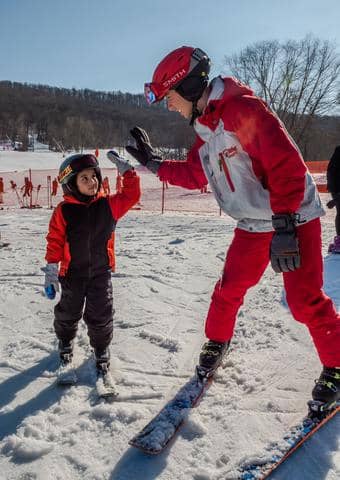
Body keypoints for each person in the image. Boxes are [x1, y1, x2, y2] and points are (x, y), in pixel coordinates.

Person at [126, 46, 340, 407]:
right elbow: (196, 174)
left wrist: (286, 224)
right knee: (229, 287)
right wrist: (153, 163)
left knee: (304, 301)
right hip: (254, 223)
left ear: (190, 88)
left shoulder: (243, 111)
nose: (169, 106)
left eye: (170, 97)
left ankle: (337, 363)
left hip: (293, 216)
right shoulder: (206, 128)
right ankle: (217, 340)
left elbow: (286, 165)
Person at [42, 151, 140, 374]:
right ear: (71, 183)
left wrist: (128, 172)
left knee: (101, 314)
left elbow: (131, 196)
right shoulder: (64, 211)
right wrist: (50, 270)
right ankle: (66, 341)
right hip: (72, 275)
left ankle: (102, 348)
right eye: (83, 178)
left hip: (99, 274)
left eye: (93, 176)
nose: (91, 182)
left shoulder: (108, 206)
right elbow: (55, 240)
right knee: (68, 312)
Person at [326, 146, 340, 253]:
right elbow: (331, 171)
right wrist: (335, 197)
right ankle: (339, 241)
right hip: (336, 187)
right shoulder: (339, 151)